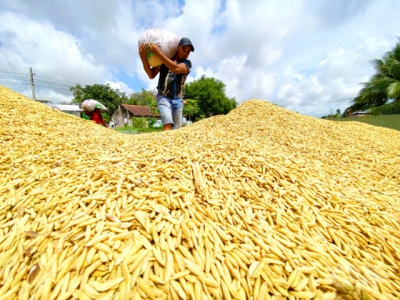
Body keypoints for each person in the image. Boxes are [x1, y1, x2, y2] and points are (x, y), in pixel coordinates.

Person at [139, 37, 194, 131]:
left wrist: (158, 53)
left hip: (178, 99)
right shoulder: (164, 59)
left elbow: (177, 69)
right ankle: (165, 145)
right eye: (184, 49)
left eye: (188, 52)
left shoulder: (187, 63)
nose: (185, 53)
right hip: (163, 97)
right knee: (167, 123)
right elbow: (151, 75)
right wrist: (143, 58)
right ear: (178, 48)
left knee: (177, 129)